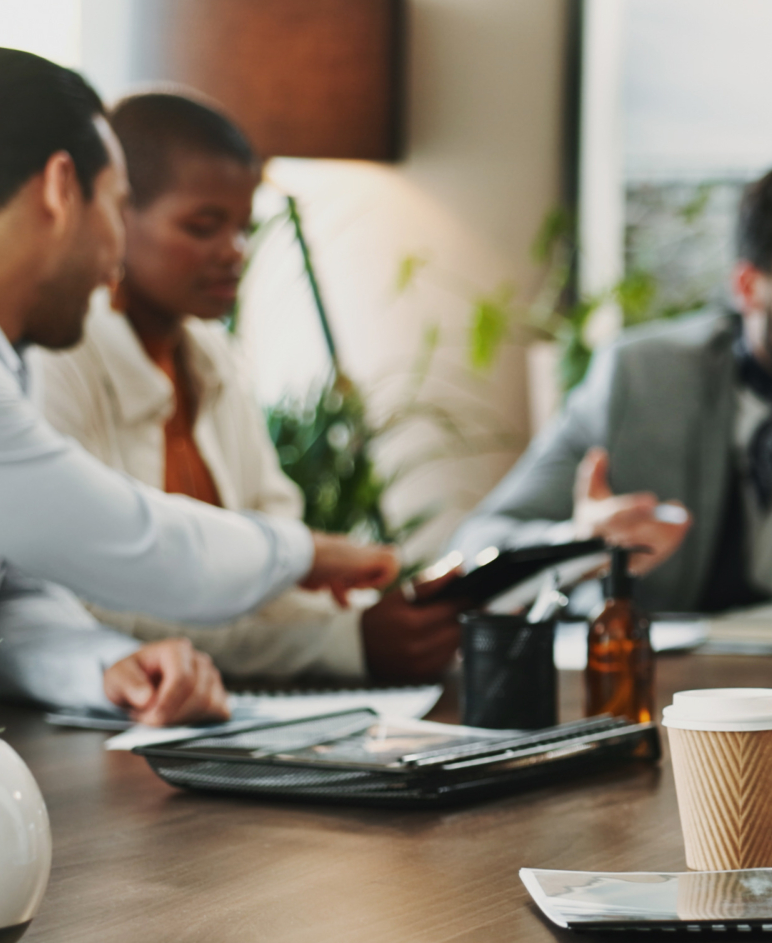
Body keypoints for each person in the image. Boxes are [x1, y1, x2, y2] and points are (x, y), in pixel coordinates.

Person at [0, 47, 395, 735]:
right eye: (116, 206)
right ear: (59, 188)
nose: (115, 257)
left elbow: (3, 597)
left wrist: (108, 667)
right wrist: (305, 552)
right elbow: (127, 541)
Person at [32, 90, 461, 682]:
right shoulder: (58, 363)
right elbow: (95, 607)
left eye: (243, 228)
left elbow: (275, 563)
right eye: (203, 226)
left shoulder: (212, 357)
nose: (234, 253)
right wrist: (342, 643)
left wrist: (374, 620)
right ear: (117, 212)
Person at [450, 159, 772, 610]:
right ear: (748, 288)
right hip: (682, 697)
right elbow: (476, 543)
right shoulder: (642, 379)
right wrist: (577, 543)